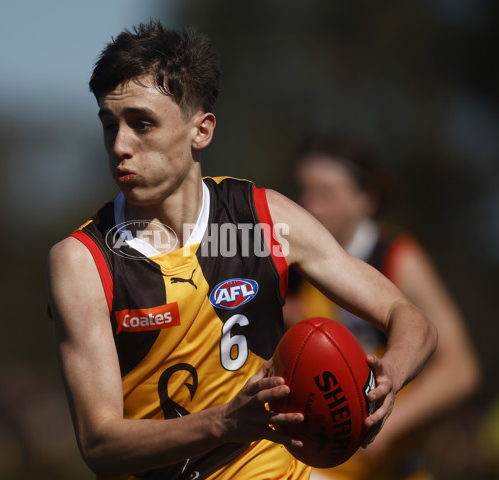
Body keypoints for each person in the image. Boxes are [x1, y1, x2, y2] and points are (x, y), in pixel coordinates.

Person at [46, 21, 437, 480]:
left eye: (142, 123)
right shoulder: (81, 260)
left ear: (201, 130)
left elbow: (409, 317)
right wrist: (226, 423)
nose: (119, 145)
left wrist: (392, 372)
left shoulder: (267, 217)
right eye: (109, 125)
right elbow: (99, 443)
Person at [285, 135, 480, 480]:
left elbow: (461, 369)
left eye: (327, 193)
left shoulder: (398, 258)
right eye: (305, 191)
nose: (310, 206)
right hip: (314, 465)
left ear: (367, 199)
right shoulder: (292, 265)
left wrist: (384, 429)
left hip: (389, 467)